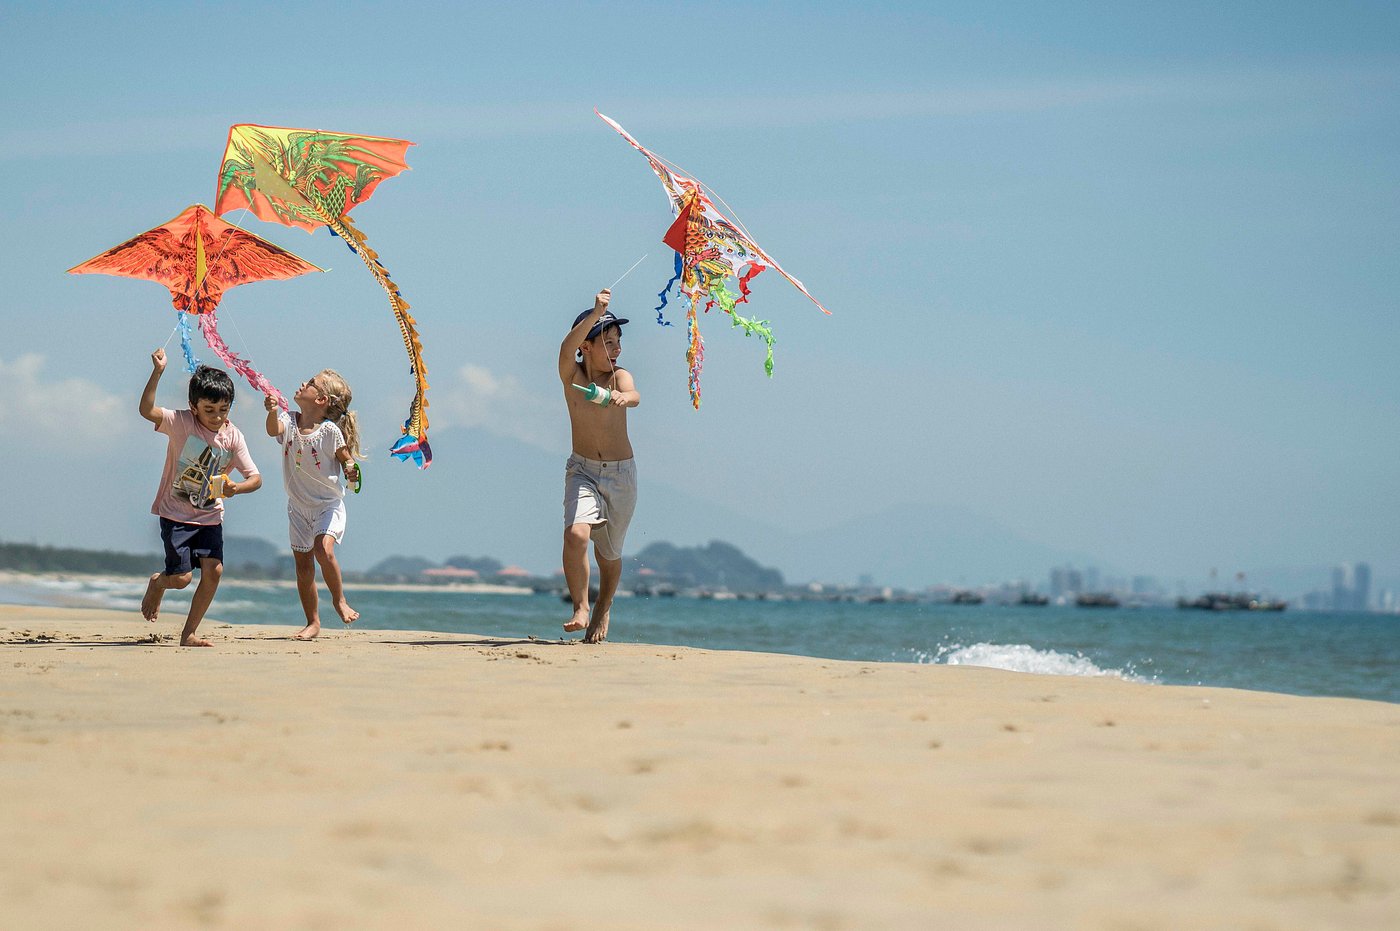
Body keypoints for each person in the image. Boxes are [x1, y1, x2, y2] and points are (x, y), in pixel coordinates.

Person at [139, 350, 262, 647]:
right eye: (209, 410)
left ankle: (188, 633)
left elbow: (255, 478)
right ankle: (158, 584)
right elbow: (146, 410)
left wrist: (236, 488)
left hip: (209, 517)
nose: (217, 417)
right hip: (176, 516)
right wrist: (158, 372)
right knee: (181, 580)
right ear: (193, 407)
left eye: (223, 409)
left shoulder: (233, 437)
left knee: (214, 570)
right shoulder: (180, 423)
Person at [557, 288, 640, 643]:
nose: (616, 348)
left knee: (609, 554)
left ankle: (605, 605)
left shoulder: (619, 377)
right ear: (586, 346)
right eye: (608, 341)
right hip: (583, 470)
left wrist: (624, 397)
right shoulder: (572, 376)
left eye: (618, 341)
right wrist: (595, 313)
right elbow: (564, 349)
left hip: (622, 475)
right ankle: (581, 606)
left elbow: (634, 395)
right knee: (576, 534)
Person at [265, 370, 364, 640]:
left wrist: (352, 469)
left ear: (321, 399)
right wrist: (272, 411)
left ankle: (339, 600)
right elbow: (273, 429)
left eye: (310, 384)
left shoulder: (329, 431)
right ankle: (313, 622)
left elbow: (345, 457)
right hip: (297, 507)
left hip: (327, 505)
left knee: (323, 549)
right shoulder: (288, 420)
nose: (302, 384)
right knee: (303, 567)